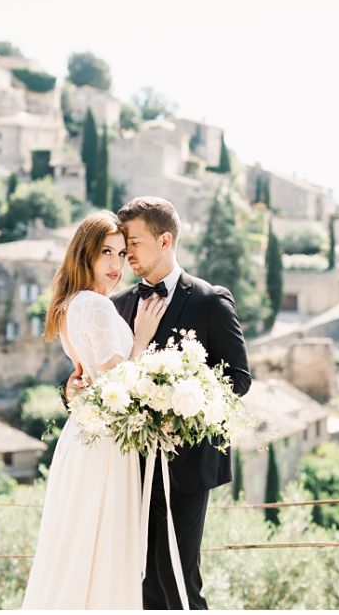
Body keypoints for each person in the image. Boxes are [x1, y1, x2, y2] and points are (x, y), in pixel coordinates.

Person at [63, 197, 252, 609]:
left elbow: (239, 379)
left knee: (178, 580)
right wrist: (71, 391)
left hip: (186, 465)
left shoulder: (209, 300)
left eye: (134, 243)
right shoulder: (116, 305)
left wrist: (180, 408)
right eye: (121, 246)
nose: (126, 254)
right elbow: (99, 378)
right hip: (126, 467)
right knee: (138, 583)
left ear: (165, 240)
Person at [22, 210, 167, 609]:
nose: (115, 264)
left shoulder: (70, 305)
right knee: (102, 552)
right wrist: (141, 340)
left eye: (122, 254)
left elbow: (90, 376)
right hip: (104, 445)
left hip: (83, 436)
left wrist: (75, 390)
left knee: (75, 547)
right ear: (84, 253)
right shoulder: (98, 307)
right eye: (106, 252)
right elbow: (120, 380)